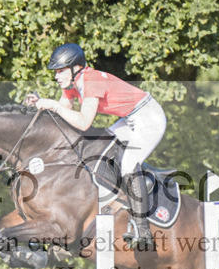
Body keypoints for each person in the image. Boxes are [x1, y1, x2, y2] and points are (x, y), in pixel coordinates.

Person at [26, 43, 167, 249]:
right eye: (55, 72)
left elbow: (83, 122)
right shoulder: (71, 85)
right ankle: (122, 199)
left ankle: (142, 230)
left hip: (149, 118)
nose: (56, 76)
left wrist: (52, 105)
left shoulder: (90, 80)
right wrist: (40, 104)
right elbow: (64, 115)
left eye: (61, 71)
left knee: (128, 164)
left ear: (76, 68)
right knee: (101, 147)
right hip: (130, 118)